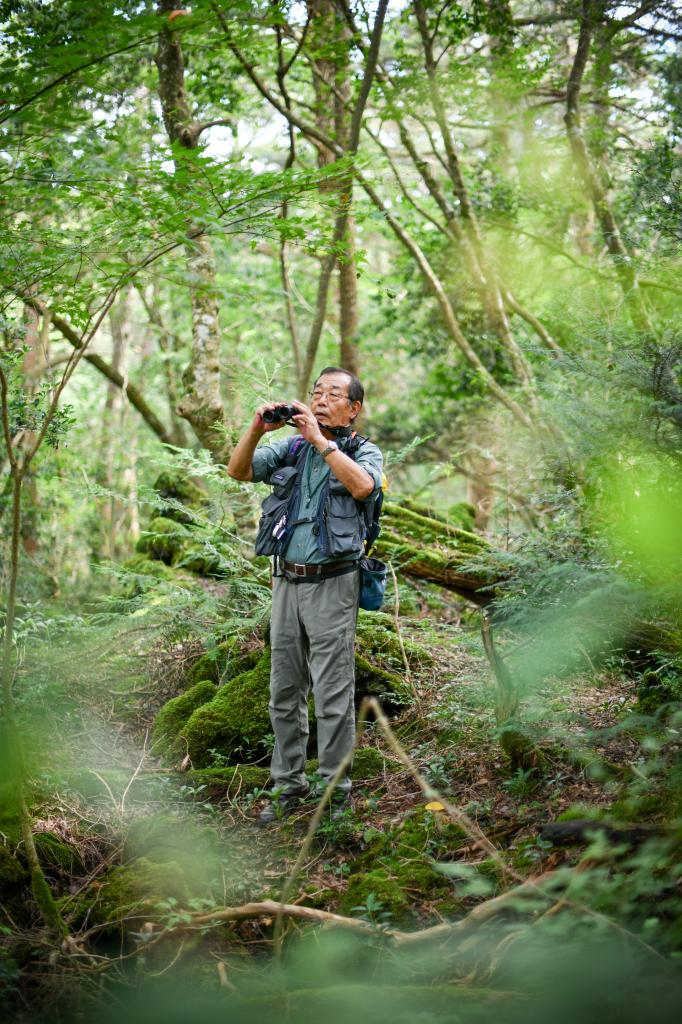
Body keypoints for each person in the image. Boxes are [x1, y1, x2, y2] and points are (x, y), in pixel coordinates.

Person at [227, 368, 383, 824]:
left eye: (333, 394)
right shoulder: (291, 447)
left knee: (333, 692)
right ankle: (287, 786)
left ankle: (335, 792)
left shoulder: (360, 450)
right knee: (284, 690)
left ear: (353, 408)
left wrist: (321, 441)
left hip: (334, 583)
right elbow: (238, 471)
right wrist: (257, 430)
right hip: (285, 583)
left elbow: (363, 487)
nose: (319, 400)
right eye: (316, 392)